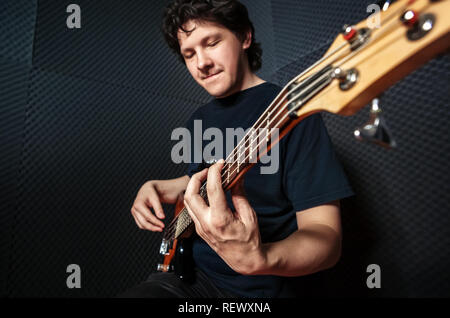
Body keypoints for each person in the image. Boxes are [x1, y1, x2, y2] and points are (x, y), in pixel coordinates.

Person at [119, 0, 354, 298]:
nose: (201, 62)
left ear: (244, 37)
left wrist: (261, 258)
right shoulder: (197, 121)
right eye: (189, 53)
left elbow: (326, 238)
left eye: (212, 42)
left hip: (260, 291)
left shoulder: (293, 113)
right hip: (190, 279)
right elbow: (204, 183)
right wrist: (160, 186)